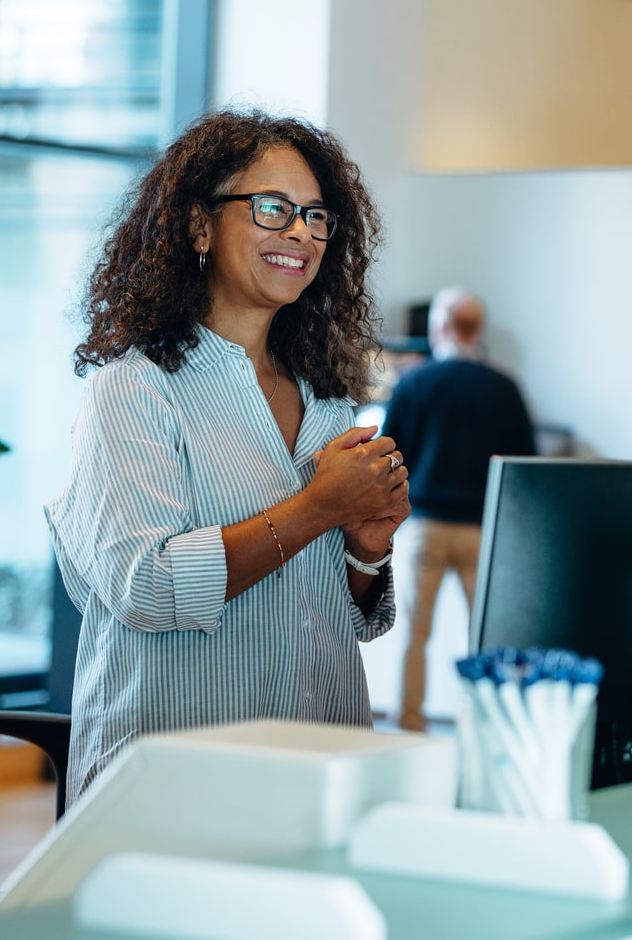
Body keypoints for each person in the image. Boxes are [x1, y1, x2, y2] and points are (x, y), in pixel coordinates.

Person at [49, 110, 410, 801]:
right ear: (198, 225)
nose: (301, 233)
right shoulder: (134, 388)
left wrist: (365, 551)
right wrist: (318, 507)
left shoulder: (326, 400)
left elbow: (330, 614)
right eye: (273, 209)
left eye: (316, 217)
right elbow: (146, 587)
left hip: (322, 767)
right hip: (175, 784)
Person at [384, 288, 536, 733]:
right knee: (484, 637)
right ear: (478, 330)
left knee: (415, 635)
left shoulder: (414, 383)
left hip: (425, 528)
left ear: (438, 328)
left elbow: (391, 456)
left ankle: (409, 723)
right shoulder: (504, 388)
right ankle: (484, 725)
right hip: (481, 531)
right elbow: (522, 466)